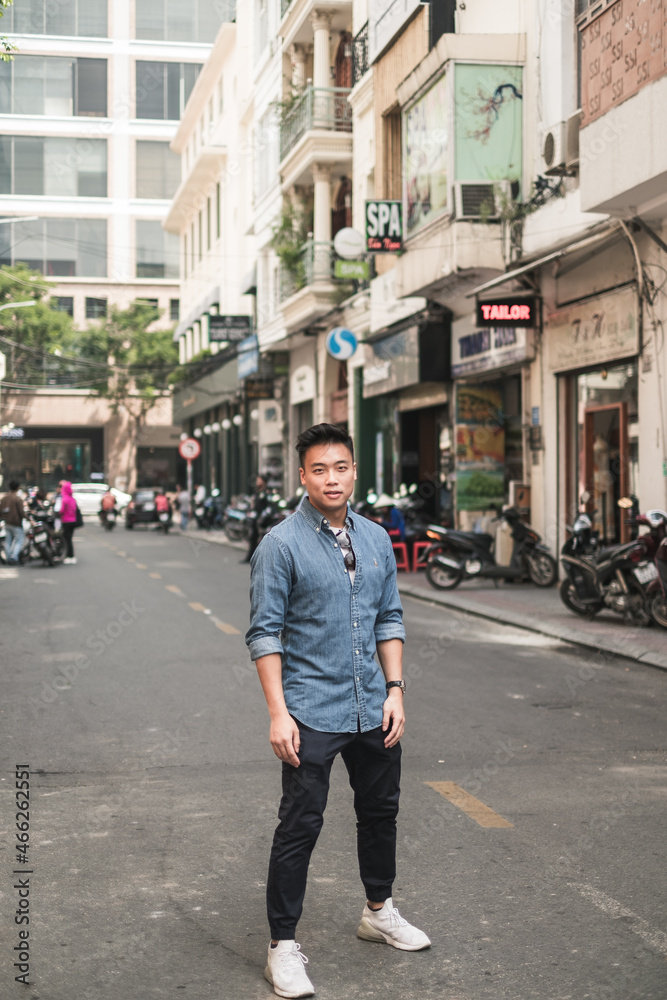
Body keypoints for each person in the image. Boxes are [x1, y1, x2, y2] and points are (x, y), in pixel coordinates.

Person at [246, 423, 430, 1000]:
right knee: (300, 825)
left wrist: (395, 689)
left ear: (354, 471)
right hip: (311, 711)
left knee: (381, 813)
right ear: (302, 476)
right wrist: (279, 713)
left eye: (341, 467)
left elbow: (388, 618)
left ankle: (378, 910)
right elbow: (264, 634)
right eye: (319, 469)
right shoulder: (279, 545)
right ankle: (282, 947)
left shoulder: (375, 537)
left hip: (373, 706)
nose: (332, 478)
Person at [240, 473, 268, 564]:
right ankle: (251, 557)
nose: (257, 482)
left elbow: (267, 506)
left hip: (262, 519)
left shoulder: (266, 492)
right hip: (254, 518)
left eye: (259, 480)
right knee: (252, 538)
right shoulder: (257, 492)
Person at [1, 480, 25, 565]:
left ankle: (8, 557)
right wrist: (28, 518)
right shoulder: (17, 499)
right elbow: (21, 512)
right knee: (19, 541)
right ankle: (14, 557)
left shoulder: (4, 498)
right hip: (16, 523)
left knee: (8, 541)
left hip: (7, 523)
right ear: (18, 488)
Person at [60, 481, 78, 564]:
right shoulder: (73, 499)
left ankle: (68, 556)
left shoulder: (64, 499)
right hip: (73, 521)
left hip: (66, 522)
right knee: (70, 539)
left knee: (66, 539)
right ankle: (72, 556)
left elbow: (62, 511)